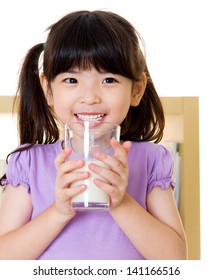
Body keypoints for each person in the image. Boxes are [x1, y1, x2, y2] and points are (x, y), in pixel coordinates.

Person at [0, 10, 187, 260]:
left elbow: (175, 259)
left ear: (137, 90)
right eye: (71, 80)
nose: (90, 97)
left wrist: (121, 203)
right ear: (48, 90)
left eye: (109, 80)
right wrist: (58, 211)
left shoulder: (150, 159)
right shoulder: (29, 163)